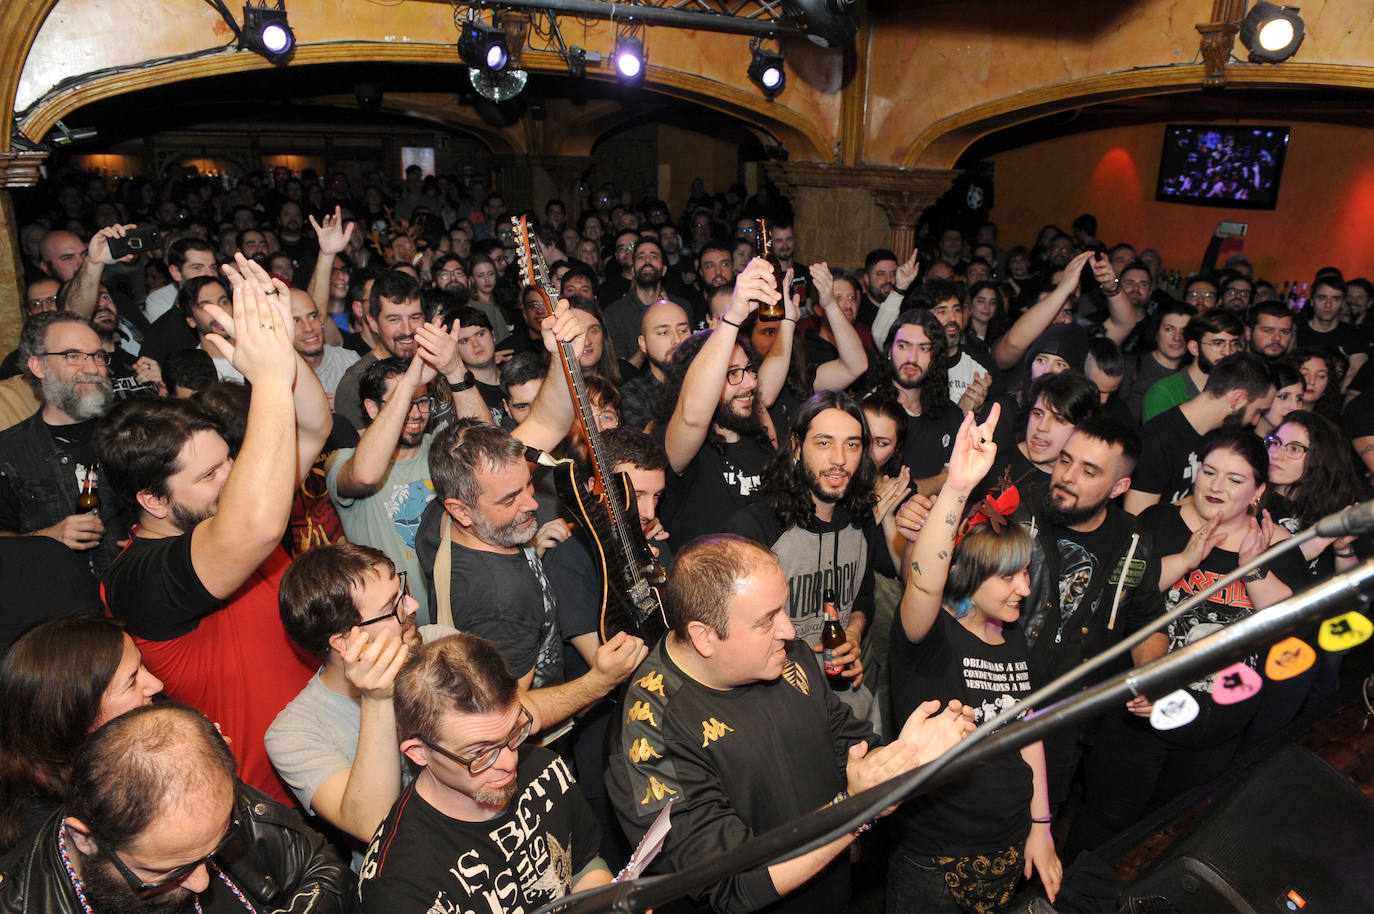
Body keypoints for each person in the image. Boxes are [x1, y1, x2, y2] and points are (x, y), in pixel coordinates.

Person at [606, 533, 975, 914]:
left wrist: (910, 755)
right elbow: (733, 882)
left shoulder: (786, 657)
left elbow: (850, 746)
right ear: (704, 637)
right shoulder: (648, 732)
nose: (789, 630)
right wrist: (854, 809)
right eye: (767, 620)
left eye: (783, 609)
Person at [98, 255, 333, 804]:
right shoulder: (137, 578)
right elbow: (252, 529)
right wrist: (270, 380)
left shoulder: (227, 506)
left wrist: (279, 353)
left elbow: (314, 425)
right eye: (208, 475)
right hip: (260, 812)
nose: (233, 478)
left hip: (327, 763)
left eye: (229, 459)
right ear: (152, 499)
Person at [1071, 429, 1313, 854]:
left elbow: (1290, 633)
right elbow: (1114, 603)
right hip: (1137, 719)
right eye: (1210, 472)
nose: (1216, 487)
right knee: (1103, 826)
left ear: (1259, 490)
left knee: (1171, 838)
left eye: (1235, 480)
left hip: (1213, 728)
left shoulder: (1277, 547)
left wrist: (1253, 569)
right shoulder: (1156, 523)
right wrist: (1184, 560)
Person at [889, 404, 1062, 911]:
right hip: (936, 862)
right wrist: (958, 488)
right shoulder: (928, 635)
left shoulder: (1010, 638)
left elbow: (1027, 732)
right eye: (1009, 576)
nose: (1024, 589)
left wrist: (1041, 826)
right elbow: (924, 578)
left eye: (1026, 573)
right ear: (970, 576)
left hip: (1008, 845)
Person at [0, 703, 349, 914]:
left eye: (216, 847)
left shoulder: (200, 797)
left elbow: (322, 868)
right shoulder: (23, 901)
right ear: (85, 838)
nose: (201, 882)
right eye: (170, 871)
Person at [355, 633, 612, 913]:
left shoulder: (544, 769)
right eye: (479, 753)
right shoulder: (399, 884)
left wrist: (609, 901)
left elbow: (585, 864)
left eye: (514, 731)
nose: (509, 762)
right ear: (418, 752)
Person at [725, 391, 893, 720]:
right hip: (775, 711)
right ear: (799, 448)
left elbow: (863, 598)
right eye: (824, 443)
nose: (840, 459)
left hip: (849, 706)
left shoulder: (862, 523)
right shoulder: (755, 529)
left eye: (852, 444)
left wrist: (855, 632)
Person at [267, 544, 430, 850]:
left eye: (402, 591)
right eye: (392, 607)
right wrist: (378, 700)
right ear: (344, 643)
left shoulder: (433, 642)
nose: (413, 606)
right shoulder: (293, 733)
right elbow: (373, 826)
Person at [0, 616, 162, 853]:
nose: (156, 685)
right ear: (78, 717)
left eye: (142, 665)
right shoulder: (56, 838)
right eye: (132, 681)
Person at [651, 258, 781, 542]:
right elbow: (693, 414)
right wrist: (732, 317)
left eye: (748, 370)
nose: (749, 381)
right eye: (731, 373)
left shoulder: (758, 438)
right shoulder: (685, 451)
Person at [0, 312, 127, 582]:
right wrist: (45, 537)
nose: (92, 369)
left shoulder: (132, 432)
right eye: (73, 356)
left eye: (97, 356)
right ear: (39, 367)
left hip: (136, 595)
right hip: (60, 608)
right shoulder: (9, 452)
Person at [1125, 352, 1275, 513]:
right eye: (1258, 411)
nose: (1254, 421)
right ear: (1237, 399)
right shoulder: (1158, 439)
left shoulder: (1219, 438)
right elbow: (1138, 518)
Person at [1262, 410, 1364, 570]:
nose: (1276, 454)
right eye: (1275, 442)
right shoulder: (1250, 500)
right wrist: (1306, 550)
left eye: (1294, 449)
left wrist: (1343, 549)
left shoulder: (1337, 506)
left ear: (1321, 459)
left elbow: (1356, 590)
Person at [1140, 308, 1245, 423]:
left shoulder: (1240, 391)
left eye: (1234, 344)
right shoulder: (1164, 393)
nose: (1228, 352)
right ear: (1194, 348)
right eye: (1217, 344)